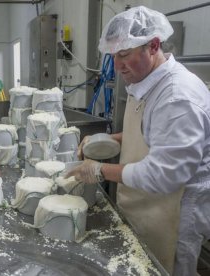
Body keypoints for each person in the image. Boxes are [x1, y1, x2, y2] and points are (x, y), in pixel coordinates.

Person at [66, 6, 210, 276]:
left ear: (153, 46)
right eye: (113, 56)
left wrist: (99, 170)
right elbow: (151, 134)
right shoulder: (146, 80)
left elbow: (164, 174)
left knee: (168, 268)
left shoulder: (177, 97)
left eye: (124, 55)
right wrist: (108, 139)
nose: (117, 66)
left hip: (176, 212)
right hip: (149, 202)